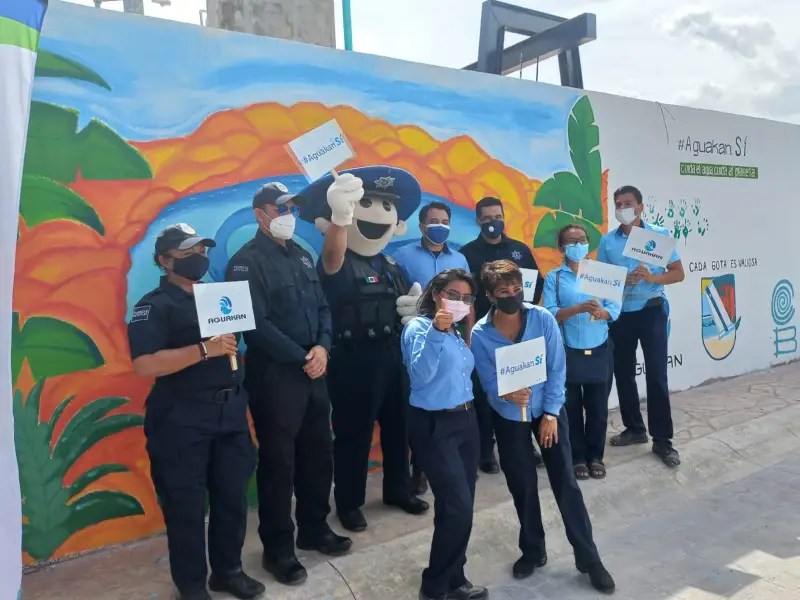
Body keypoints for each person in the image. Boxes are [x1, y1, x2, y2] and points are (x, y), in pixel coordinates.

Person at [128, 223, 265, 600]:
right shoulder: (154, 306)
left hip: (230, 414)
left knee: (232, 500)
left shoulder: (217, 297)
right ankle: (191, 586)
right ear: (164, 260)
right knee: (185, 509)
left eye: (202, 251)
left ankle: (228, 572)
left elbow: (235, 344)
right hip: (181, 420)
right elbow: (144, 364)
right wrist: (204, 350)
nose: (199, 258)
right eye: (188, 254)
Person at [226, 182, 351, 587]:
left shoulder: (301, 255)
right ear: (260, 214)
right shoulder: (245, 263)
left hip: (315, 371)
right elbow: (254, 325)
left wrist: (323, 348)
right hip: (276, 378)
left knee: (318, 455)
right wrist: (303, 357)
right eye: (280, 209)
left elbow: (323, 308)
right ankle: (278, 549)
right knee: (279, 464)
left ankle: (314, 528)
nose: (288, 216)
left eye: (292, 209)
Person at [471, 260, 615, 594]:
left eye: (516, 288)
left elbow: (557, 368)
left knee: (566, 483)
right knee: (522, 485)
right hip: (509, 417)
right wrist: (505, 393)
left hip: (547, 411)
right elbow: (488, 381)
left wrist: (550, 413)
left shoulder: (542, 318)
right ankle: (533, 550)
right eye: (503, 291)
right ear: (490, 296)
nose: (512, 295)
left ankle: (589, 558)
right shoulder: (480, 334)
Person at [298, 166, 429, 533]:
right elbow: (332, 257)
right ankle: (349, 502)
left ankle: (398, 489)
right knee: (353, 435)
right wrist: (341, 217)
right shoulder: (337, 260)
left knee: (398, 428)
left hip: (393, 357)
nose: (377, 214)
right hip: (353, 360)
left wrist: (413, 310)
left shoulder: (391, 264)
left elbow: (404, 302)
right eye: (366, 204)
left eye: (386, 206)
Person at [401, 269, 488, 600]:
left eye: (466, 298)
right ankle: (434, 586)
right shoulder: (419, 328)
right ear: (436, 294)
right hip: (435, 426)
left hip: (466, 421)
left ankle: (455, 577)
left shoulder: (455, 332)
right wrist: (437, 331)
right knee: (458, 509)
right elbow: (421, 376)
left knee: (459, 508)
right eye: (453, 295)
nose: (459, 302)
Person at [597, 185, 685, 468]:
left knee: (657, 375)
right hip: (621, 314)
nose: (623, 208)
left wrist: (652, 278)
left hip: (651, 310)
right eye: (618, 204)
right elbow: (602, 282)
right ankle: (634, 428)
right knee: (623, 374)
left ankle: (663, 440)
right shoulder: (608, 242)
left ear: (640, 207)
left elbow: (678, 274)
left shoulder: (657, 236)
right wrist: (622, 280)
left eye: (629, 203)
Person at [460, 196, 544, 474]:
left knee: (521, 388)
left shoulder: (519, 250)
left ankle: (527, 444)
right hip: (485, 335)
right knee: (486, 392)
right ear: (478, 220)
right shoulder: (467, 254)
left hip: (518, 332)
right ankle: (486, 451)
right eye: (487, 218)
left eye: (497, 216)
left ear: (504, 217)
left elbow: (536, 284)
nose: (493, 222)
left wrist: (521, 312)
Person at [393, 200, 470, 495]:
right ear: (422, 225)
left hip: (451, 337)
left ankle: (449, 460)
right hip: (420, 336)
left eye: (444, 222)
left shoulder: (459, 259)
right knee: (422, 400)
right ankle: (419, 468)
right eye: (434, 221)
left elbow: (467, 301)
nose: (440, 226)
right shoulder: (402, 256)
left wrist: (468, 336)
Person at [543, 224, 620, 480]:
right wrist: (577, 309)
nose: (578, 245)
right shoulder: (554, 278)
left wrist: (602, 312)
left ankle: (596, 456)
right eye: (571, 241)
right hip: (567, 350)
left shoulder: (602, 274)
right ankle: (577, 457)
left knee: (598, 408)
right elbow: (550, 313)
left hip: (599, 347)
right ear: (561, 247)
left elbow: (614, 308)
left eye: (582, 239)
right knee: (571, 407)